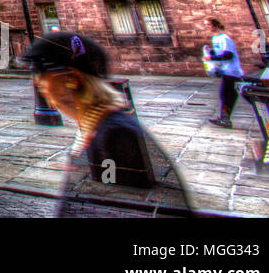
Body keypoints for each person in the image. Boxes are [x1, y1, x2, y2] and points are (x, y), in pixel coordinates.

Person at [25, 32, 167, 212]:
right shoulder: (92, 123)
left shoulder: (111, 131)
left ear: (72, 81)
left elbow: (113, 196)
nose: (48, 98)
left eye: (45, 86)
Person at [202, 17, 244, 128]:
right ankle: (224, 119)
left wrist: (211, 58)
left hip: (232, 70)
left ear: (215, 25)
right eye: (206, 25)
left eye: (208, 25)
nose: (207, 27)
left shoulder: (224, 38)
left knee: (227, 95)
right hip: (226, 70)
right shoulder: (215, 38)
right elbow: (218, 53)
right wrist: (209, 52)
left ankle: (225, 119)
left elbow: (228, 55)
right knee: (226, 95)